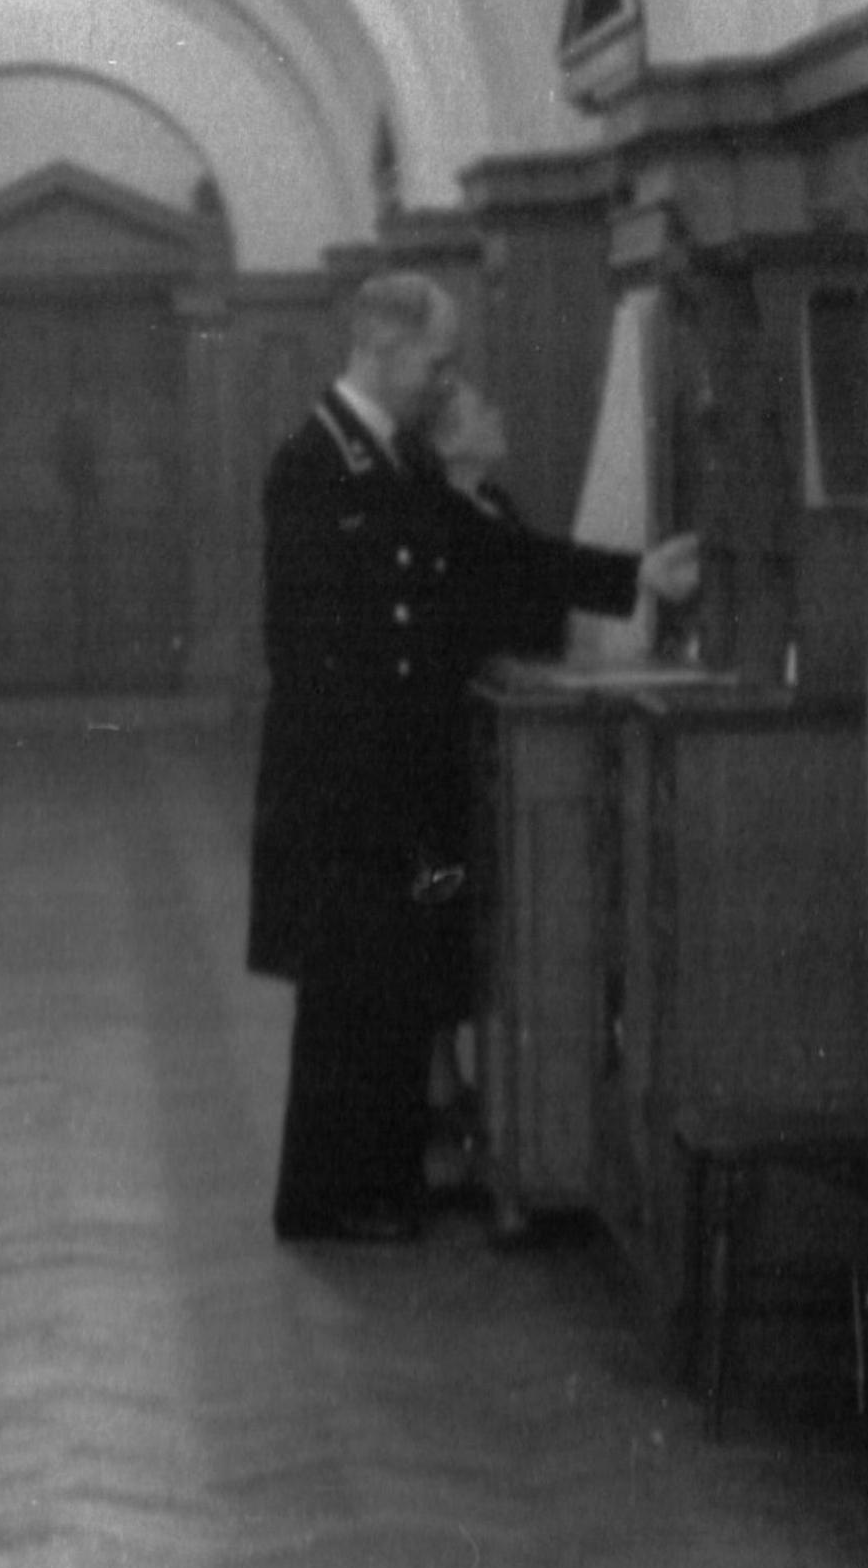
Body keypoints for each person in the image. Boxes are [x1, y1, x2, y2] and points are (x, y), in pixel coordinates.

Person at [245, 273, 695, 1242]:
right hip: (348, 785)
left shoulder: (394, 457)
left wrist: (632, 576)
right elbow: (309, 649)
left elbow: (494, 554)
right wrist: (368, 783)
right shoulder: (313, 462)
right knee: (346, 995)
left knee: (392, 987)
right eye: (436, 361)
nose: (444, 381)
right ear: (380, 345)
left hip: (398, 779)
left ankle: (384, 1180)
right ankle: (329, 1198)